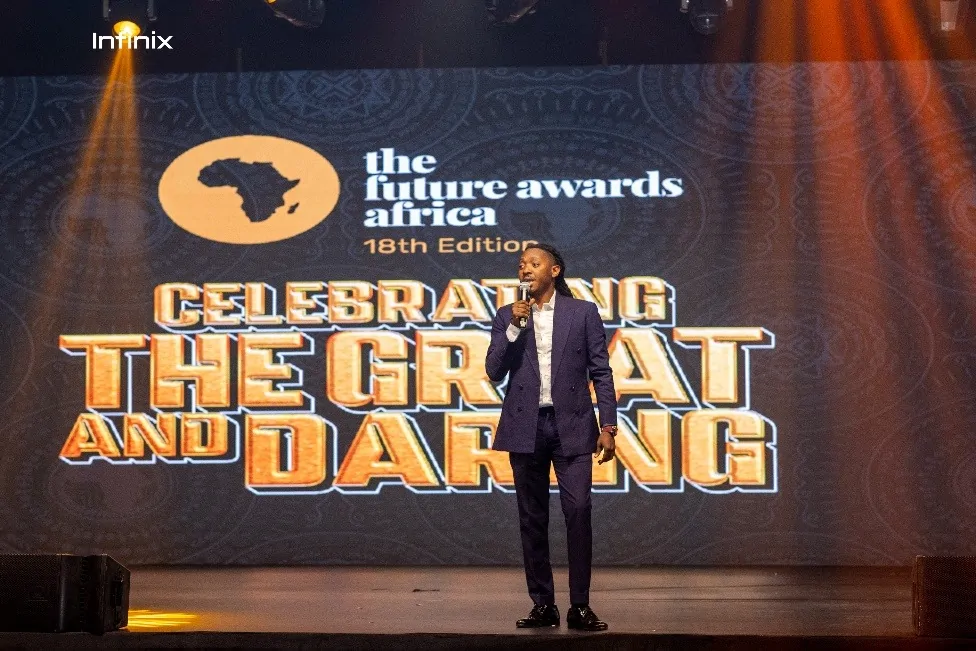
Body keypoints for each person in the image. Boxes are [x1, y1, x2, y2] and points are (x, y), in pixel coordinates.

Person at [485, 243, 618, 632]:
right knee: (532, 517)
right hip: (526, 425)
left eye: (534, 263)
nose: (525, 269)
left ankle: (580, 605)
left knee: (578, 511)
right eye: (521, 264)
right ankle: (543, 604)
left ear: (555, 270)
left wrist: (608, 426)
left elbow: (601, 371)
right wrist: (514, 326)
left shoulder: (583, 312)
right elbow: (494, 370)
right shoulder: (508, 315)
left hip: (571, 425)